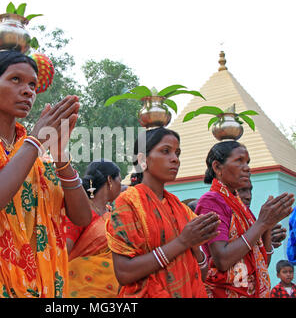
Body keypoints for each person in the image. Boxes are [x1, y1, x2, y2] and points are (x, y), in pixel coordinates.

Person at [0, 50, 91, 298]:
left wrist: (60, 155)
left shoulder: (37, 152)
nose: (28, 91)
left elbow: (82, 217)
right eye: (16, 80)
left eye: (32, 84)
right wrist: (35, 143)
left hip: (39, 282)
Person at [106, 127, 221, 298]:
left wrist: (197, 248)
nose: (175, 159)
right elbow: (124, 273)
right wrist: (183, 242)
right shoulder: (128, 203)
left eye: (177, 153)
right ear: (142, 159)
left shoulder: (180, 209)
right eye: (166, 151)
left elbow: (200, 274)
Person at [196, 141, 294, 298]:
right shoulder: (211, 201)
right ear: (217, 167)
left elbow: (262, 263)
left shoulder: (242, 207)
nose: (247, 168)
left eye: (247, 162)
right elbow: (222, 259)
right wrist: (262, 223)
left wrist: (267, 226)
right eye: (239, 161)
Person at [65, 159, 122, 298]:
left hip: (114, 291)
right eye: (119, 180)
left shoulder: (112, 214)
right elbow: (63, 250)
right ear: (110, 180)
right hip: (81, 289)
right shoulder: (81, 211)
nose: (121, 186)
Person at [237, 180, 287, 248]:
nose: (249, 197)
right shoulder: (222, 217)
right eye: (242, 190)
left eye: (250, 191)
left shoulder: (250, 221)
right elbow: (225, 256)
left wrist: (266, 237)